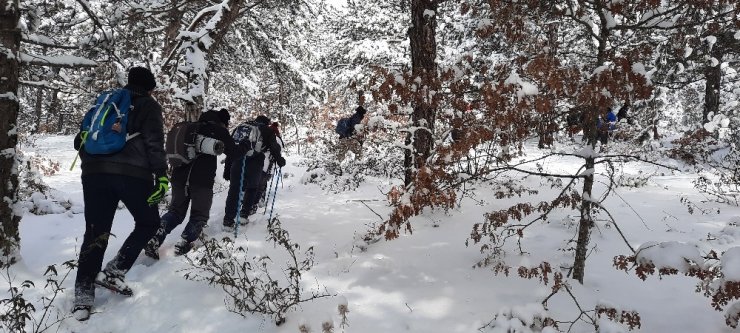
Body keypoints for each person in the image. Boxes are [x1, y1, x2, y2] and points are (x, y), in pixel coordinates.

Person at [71, 67, 167, 321]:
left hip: (93, 173)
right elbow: (155, 142)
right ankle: (115, 271)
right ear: (149, 88)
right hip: (132, 175)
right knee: (149, 222)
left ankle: (82, 296)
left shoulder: (106, 101)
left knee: (96, 231)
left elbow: (79, 139)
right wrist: (162, 175)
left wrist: (93, 163)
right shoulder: (148, 105)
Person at [144, 109, 238, 259]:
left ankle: (154, 237)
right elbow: (235, 152)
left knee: (175, 212)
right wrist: (245, 146)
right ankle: (184, 243)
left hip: (179, 177)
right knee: (199, 215)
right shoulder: (218, 130)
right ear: (222, 121)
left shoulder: (190, 127)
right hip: (202, 181)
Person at [223, 115, 286, 228]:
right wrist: (280, 160)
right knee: (252, 188)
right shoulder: (267, 130)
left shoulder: (242, 126)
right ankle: (244, 214)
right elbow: (274, 148)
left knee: (234, 190)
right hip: (255, 163)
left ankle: (228, 220)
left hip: (238, 160)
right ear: (267, 123)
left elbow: (231, 148)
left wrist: (227, 169)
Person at [256, 122, 284, 210]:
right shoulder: (277, 138)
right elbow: (279, 152)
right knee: (262, 184)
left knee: (255, 182)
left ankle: (251, 201)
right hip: (268, 164)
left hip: (256, 161)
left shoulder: (262, 134)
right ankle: (259, 200)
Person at [335, 92, 367, 161]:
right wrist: (359, 141)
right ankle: (358, 167)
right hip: (349, 139)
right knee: (359, 153)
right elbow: (354, 128)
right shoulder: (357, 117)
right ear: (362, 113)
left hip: (342, 139)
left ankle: (335, 166)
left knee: (340, 155)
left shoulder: (353, 117)